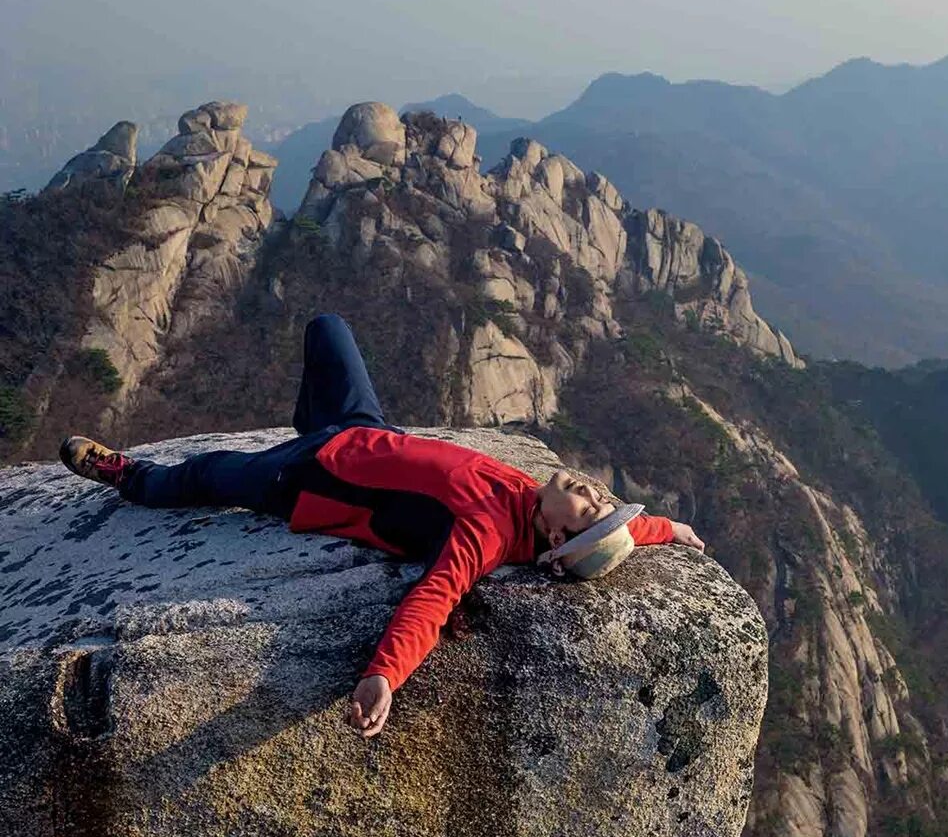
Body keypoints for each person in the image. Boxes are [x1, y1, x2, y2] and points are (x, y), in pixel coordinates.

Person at [59, 314, 704, 738]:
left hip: (311, 475)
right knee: (326, 329)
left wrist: (383, 675)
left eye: (589, 507)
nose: (590, 490)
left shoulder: (487, 533)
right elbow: (618, 538)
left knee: (203, 476)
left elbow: (433, 599)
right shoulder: (537, 499)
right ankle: (314, 417)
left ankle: (128, 476)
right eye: (598, 494)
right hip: (364, 429)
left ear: (558, 541)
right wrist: (666, 529)